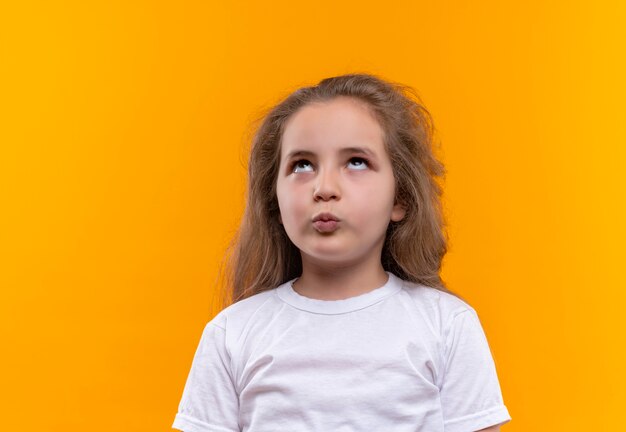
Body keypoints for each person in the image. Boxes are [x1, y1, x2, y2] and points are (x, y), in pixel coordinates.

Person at [172, 74, 512, 431]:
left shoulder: (446, 326)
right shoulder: (232, 334)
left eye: (356, 162)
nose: (324, 188)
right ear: (275, 199)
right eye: (302, 164)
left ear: (401, 197)